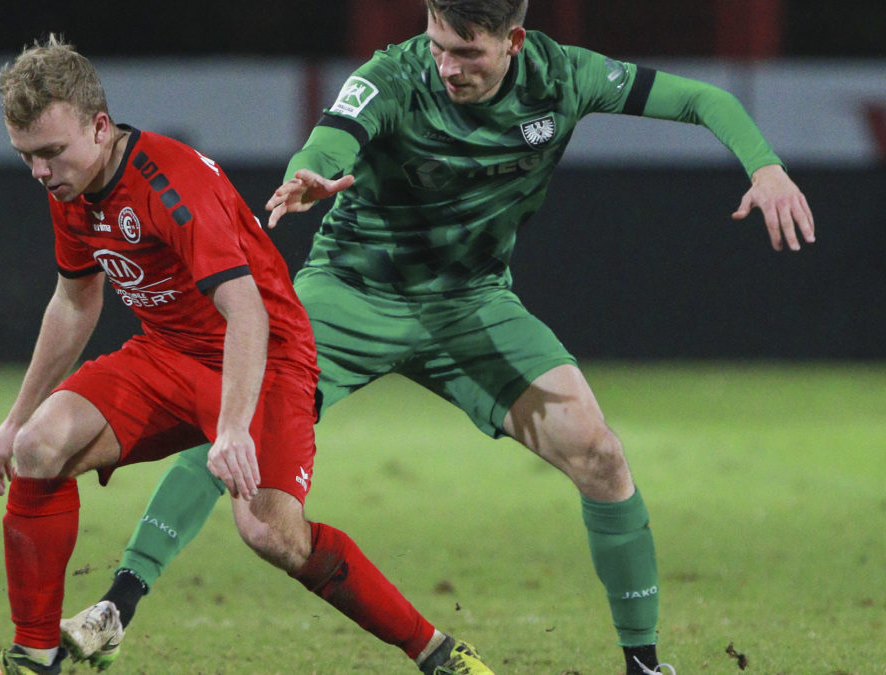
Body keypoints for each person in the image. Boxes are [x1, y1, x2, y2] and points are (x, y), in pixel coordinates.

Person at [62, 1, 816, 673]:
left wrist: (767, 165)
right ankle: (116, 605)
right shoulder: (393, 77)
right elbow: (333, 137)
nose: (446, 65)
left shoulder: (568, 78)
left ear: (514, 40)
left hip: (472, 306)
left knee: (601, 453)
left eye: (467, 52)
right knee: (231, 419)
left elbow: (704, 98)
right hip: (350, 295)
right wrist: (311, 174)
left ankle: (645, 664)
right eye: (436, 44)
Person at [0, 33, 495, 675]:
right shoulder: (71, 187)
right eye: (27, 156)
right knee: (37, 446)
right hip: (167, 354)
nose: (40, 171)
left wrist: (228, 428)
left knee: (270, 534)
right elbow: (75, 303)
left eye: (51, 152)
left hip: (266, 356)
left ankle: (437, 652)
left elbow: (245, 309)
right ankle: (35, 654)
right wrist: (13, 418)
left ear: (100, 125)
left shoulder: (170, 184)